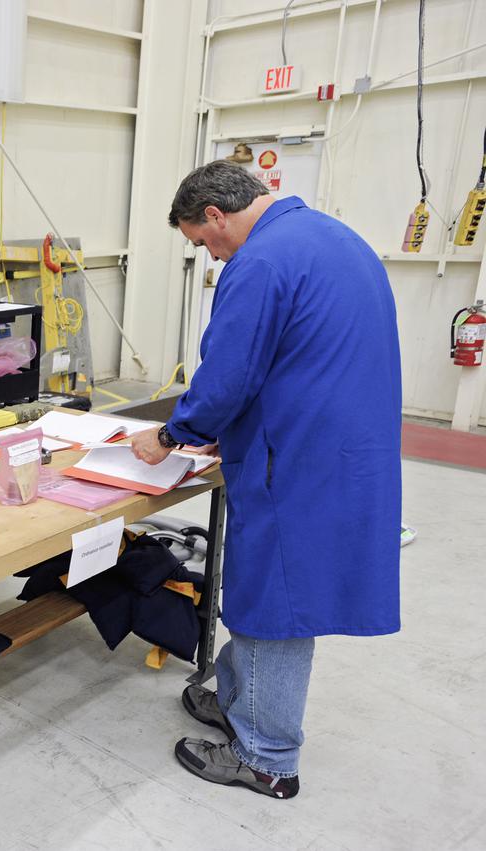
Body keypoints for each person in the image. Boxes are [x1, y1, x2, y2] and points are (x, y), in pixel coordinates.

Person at [129, 161, 401, 800]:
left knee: (275, 602)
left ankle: (268, 759)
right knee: (272, 588)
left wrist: (172, 434)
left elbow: (229, 374)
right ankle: (235, 700)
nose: (210, 256)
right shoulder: (336, 239)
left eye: (202, 243)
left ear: (217, 217)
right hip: (341, 450)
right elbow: (301, 354)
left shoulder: (258, 262)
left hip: (297, 460)